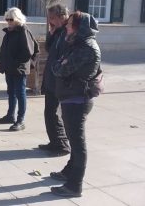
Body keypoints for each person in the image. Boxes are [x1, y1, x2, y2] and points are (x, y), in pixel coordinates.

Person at [49, 11, 101, 198]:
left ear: (79, 27)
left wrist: (60, 64)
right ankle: (69, 172)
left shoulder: (86, 47)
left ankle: (74, 185)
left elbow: (61, 69)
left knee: (78, 144)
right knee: (74, 140)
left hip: (77, 100)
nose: (67, 26)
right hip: (71, 97)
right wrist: (60, 63)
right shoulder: (77, 43)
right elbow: (59, 63)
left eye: (70, 24)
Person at [0, 7, 38, 131]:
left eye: (11, 19)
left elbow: (28, 51)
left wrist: (15, 62)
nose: (8, 22)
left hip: (18, 69)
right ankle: (10, 115)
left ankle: (20, 120)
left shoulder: (23, 31)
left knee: (20, 93)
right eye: (7, 19)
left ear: (17, 19)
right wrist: (2, 62)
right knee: (11, 92)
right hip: (9, 68)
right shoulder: (10, 32)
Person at [39, 4, 71, 156]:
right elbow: (48, 48)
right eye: (49, 18)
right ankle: (54, 141)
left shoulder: (67, 33)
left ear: (62, 16)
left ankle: (62, 145)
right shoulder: (58, 32)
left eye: (52, 18)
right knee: (48, 112)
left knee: (54, 113)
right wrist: (50, 33)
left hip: (58, 80)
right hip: (51, 78)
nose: (50, 21)